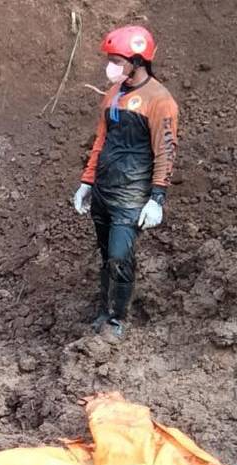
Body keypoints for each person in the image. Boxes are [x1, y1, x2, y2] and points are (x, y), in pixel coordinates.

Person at [72, 25, 178, 338]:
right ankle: (104, 310)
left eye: (117, 60)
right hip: (104, 191)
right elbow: (100, 141)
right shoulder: (112, 96)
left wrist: (157, 197)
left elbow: (166, 151)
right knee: (106, 256)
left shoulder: (160, 101)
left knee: (120, 256)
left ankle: (117, 319)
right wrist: (87, 182)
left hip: (131, 196)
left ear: (137, 61)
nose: (111, 66)